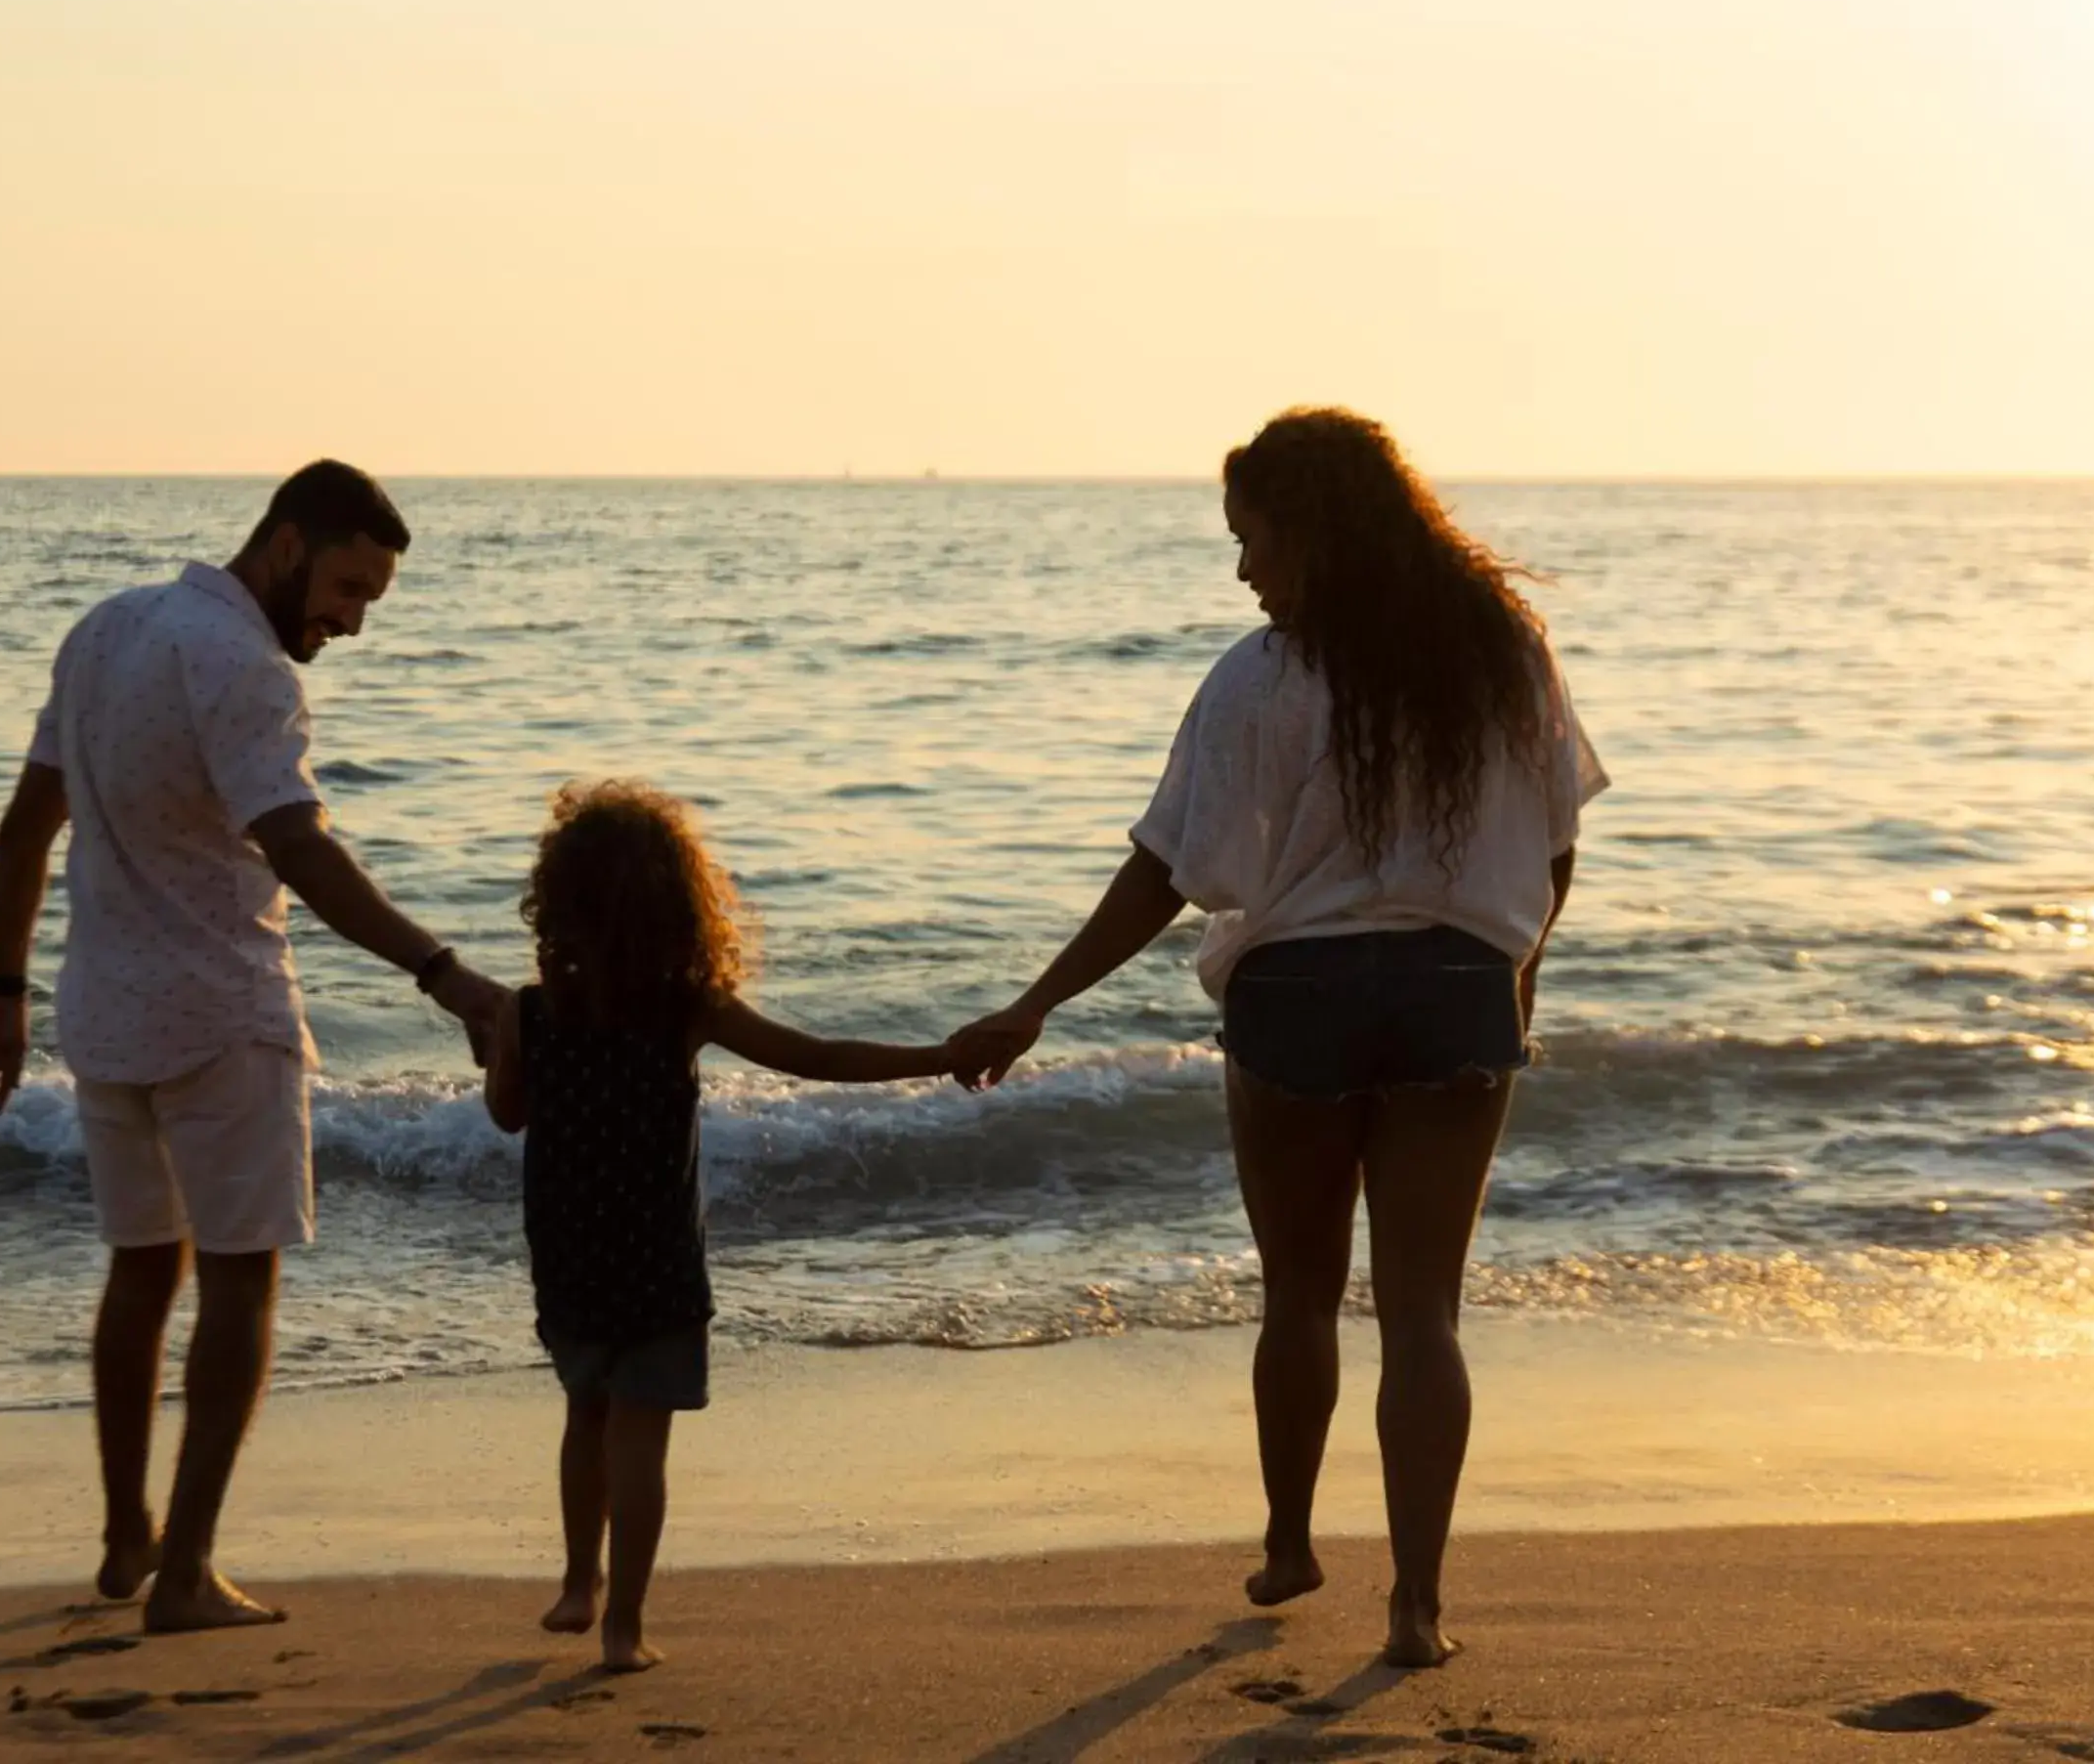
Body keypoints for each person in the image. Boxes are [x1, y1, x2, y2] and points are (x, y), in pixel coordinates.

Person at [952, 409, 1605, 1668]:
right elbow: (1557, 846)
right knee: (1426, 1314)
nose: (1243, 568)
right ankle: (1417, 1605)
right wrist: (1517, 972)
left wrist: (1037, 1001)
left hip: (1298, 996)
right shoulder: (1502, 650)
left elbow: (1162, 869)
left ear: (1313, 530)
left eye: (1252, 539)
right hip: (1459, 983)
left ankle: (1291, 1539)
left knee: (1299, 1294)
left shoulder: (1260, 678)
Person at [0, 458, 506, 1634]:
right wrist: (447, 974)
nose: (351, 622)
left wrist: (2, 982)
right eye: (350, 588)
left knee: (143, 1267)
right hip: (225, 1018)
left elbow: (25, 824)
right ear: (291, 543)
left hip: (102, 1014)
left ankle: (124, 1538)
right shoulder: (245, 665)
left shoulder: (104, 630)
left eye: (370, 602)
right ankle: (189, 1571)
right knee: (240, 1283)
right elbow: (300, 849)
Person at [483, 780, 976, 1673]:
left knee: (583, 1414)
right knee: (641, 1436)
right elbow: (816, 1058)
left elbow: (507, 1116)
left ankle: (575, 1584)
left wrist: (512, 1060)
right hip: (659, 1264)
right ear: (682, 904)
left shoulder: (527, 1012)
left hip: (568, 1256)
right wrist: (938, 1057)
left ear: (556, 904)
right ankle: (625, 1626)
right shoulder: (686, 1010)